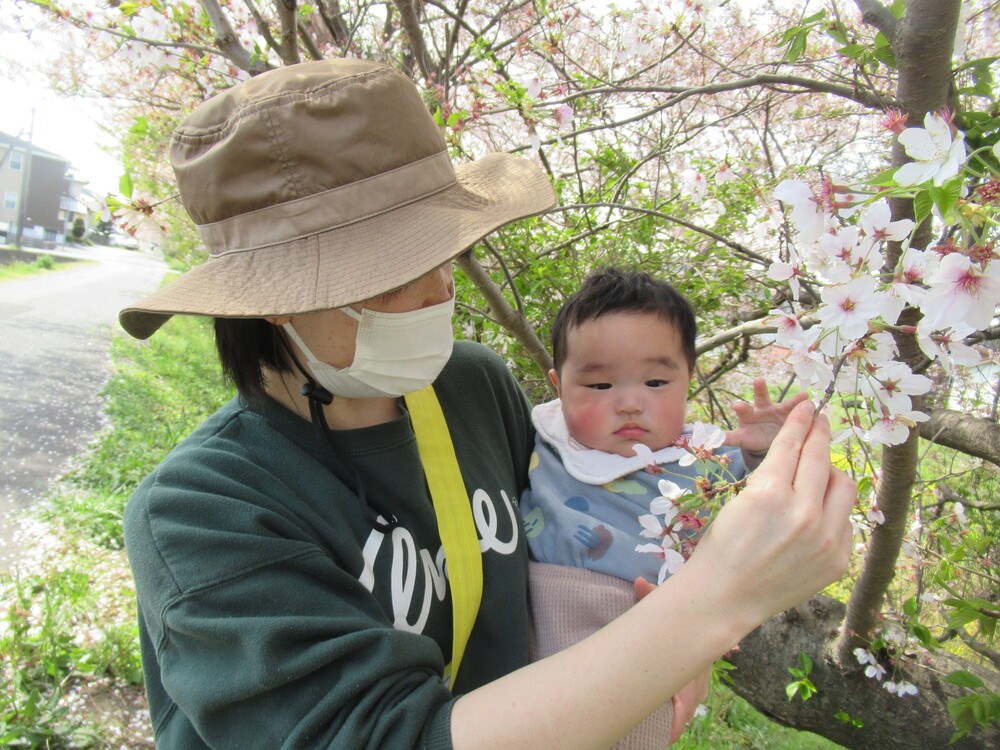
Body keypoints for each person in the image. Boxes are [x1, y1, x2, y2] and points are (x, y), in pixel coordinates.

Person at [119, 57, 856, 750]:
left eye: (443, 253)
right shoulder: (201, 514)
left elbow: (584, 522)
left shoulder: (468, 386)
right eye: (390, 275)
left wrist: (721, 514)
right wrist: (709, 606)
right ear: (275, 302)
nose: (441, 292)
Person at [520, 268, 808, 746]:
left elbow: (765, 505)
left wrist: (761, 451)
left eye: (656, 382)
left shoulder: (702, 456)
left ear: (688, 379)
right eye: (599, 386)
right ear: (558, 385)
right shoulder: (545, 439)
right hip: (542, 615)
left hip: (649, 633)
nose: (630, 403)